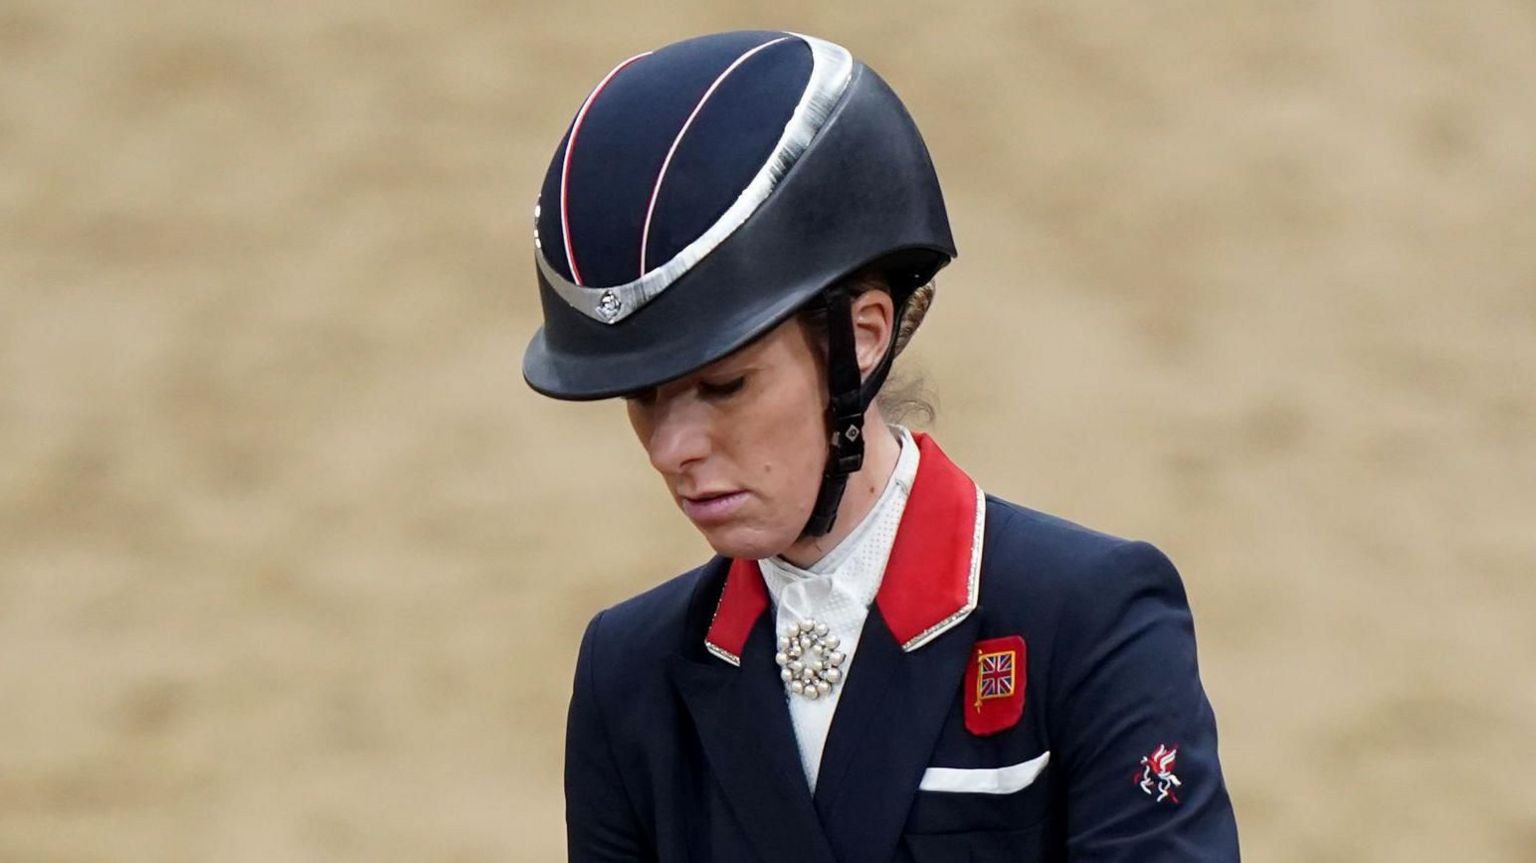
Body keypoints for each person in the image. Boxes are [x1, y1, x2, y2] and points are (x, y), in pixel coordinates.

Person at [523, 30, 1240, 863]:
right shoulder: (628, 673)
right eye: (640, 398)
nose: (669, 447)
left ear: (861, 337)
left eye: (725, 386)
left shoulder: (1087, 620)